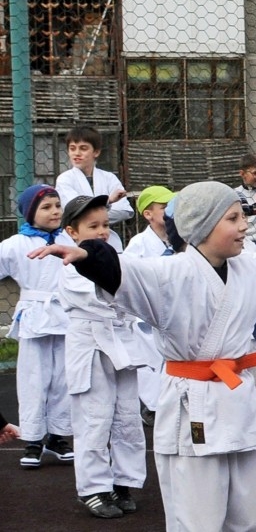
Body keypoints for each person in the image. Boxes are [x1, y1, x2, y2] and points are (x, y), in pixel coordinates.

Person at [29, 181, 256, 531]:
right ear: (202, 226)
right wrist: (90, 256)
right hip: (192, 403)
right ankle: (96, 486)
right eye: (233, 218)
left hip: (239, 406)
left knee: (246, 514)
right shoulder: (170, 274)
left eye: (242, 217)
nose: (243, 226)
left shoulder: (251, 271)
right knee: (198, 517)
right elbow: (123, 272)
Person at [56, 195, 147, 519]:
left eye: (105, 225)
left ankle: (123, 481)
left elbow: (135, 290)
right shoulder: (70, 265)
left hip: (122, 342)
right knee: (94, 417)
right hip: (90, 343)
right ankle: (93, 488)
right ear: (72, 232)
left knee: (127, 415)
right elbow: (110, 295)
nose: (102, 231)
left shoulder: (117, 258)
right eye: (93, 226)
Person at [0, 184, 74, 468]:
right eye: (46, 207)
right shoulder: (16, 244)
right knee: (33, 379)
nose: (55, 211)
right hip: (34, 317)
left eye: (57, 205)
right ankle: (32, 440)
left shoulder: (69, 239)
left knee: (63, 379)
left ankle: (57, 436)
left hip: (66, 316)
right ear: (30, 212)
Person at [124, 185, 177, 427]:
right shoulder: (139, 243)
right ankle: (152, 406)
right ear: (148, 214)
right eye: (164, 207)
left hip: (173, 308)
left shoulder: (177, 239)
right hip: (147, 312)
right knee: (150, 359)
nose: (170, 211)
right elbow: (130, 276)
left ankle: (167, 403)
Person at [55, 126, 134, 252]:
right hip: (76, 243)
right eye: (72, 148)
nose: (77, 153)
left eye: (83, 148)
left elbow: (124, 210)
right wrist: (108, 203)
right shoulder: (64, 179)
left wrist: (90, 218)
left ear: (96, 152)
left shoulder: (109, 178)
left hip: (108, 242)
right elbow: (74, 209)